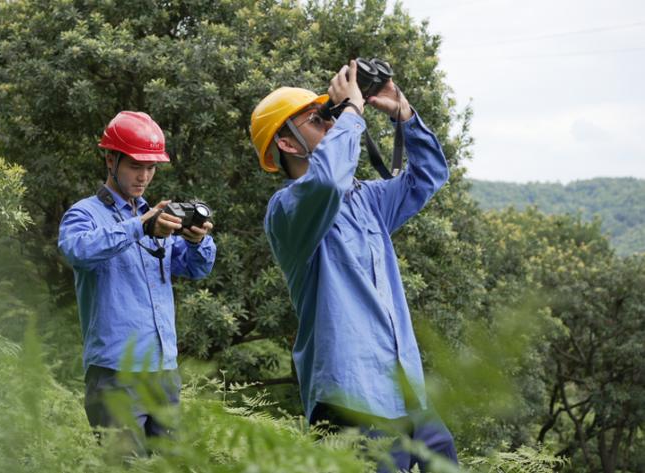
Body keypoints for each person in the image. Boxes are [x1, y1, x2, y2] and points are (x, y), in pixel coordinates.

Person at [250, 61, 457, 472]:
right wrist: (351, 112)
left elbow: (428, 176)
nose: (329, 123)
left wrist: (405, 115)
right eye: (316, 119)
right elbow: (325, 182)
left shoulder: (368, 199)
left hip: (406, 392)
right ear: (288, 145)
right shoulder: (287, 211)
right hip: (350, 398)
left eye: (329, 115)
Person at [58, 111, 216, 449]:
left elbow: (196, 269)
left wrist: (196, 240)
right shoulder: (84, 214)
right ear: (111, 158)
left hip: (163, 371)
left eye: (151, 167)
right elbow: (77, 251)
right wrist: (140, 226)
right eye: (135, 165)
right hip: (115, 373)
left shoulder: (156, 215)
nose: (144, 176)